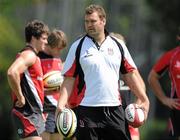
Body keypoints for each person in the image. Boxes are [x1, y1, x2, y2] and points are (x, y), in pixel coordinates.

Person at [56, 4, 149, 140]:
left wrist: (144, 98)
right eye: (86, 22)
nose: (89, 25)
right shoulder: (78, 46)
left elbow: (130, 75)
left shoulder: (118, 45)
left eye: (93, 21)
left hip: (115, 109)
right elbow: (69, 79)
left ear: (103, 21)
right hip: (87, 110)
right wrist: (61, 103)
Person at [7, 20, 49, 140]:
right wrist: (20, 96)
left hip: (34, 114)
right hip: (27, 114)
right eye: (44, 38)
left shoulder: (35, 57)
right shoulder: (29, 55)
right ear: (34, 38)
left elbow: (33, 89)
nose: (46, 42)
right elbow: (11, 72)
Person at [148, 28, 180, 139]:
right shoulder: (171, 56)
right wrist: (164, 99)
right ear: (178, 38)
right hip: (177, 111)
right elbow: (152, 77)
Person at [110, 32, 142, 140]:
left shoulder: (129, 69)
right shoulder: (103, 68)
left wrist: (135, 110)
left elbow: (141, 90)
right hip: (108, 119)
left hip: (127, 120)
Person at [38, 29, 67, 140]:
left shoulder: (57, 58)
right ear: (50, 45)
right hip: (44, 108)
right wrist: (49, 91)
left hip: (58, 107)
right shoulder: (38, 58)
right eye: (58, 48)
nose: (60, 52)